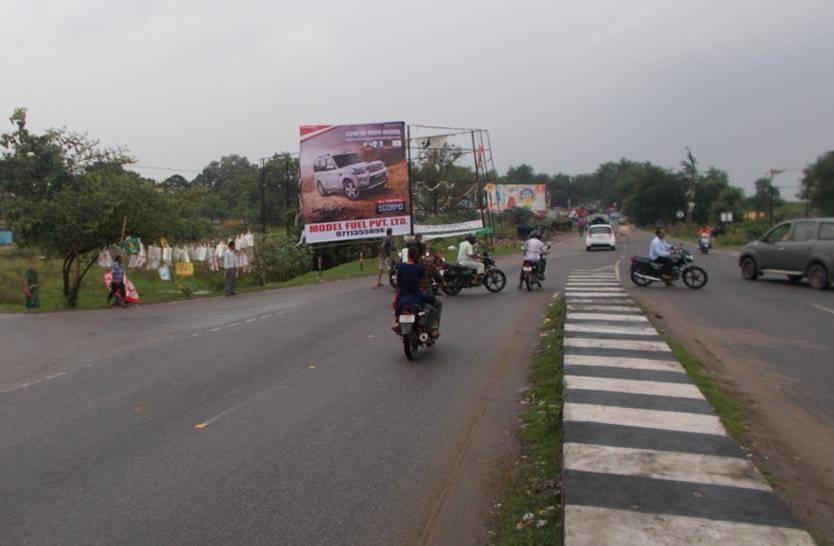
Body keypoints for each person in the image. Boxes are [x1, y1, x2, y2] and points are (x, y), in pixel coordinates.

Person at [394, 246, 442, 336]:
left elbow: (399, 282)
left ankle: (398, 324)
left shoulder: (401, 267)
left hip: (403, 296)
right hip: (416, 295)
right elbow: (420, 281)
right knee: (437, 304)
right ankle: (431, 328)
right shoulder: (420, 267)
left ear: (408, 254)